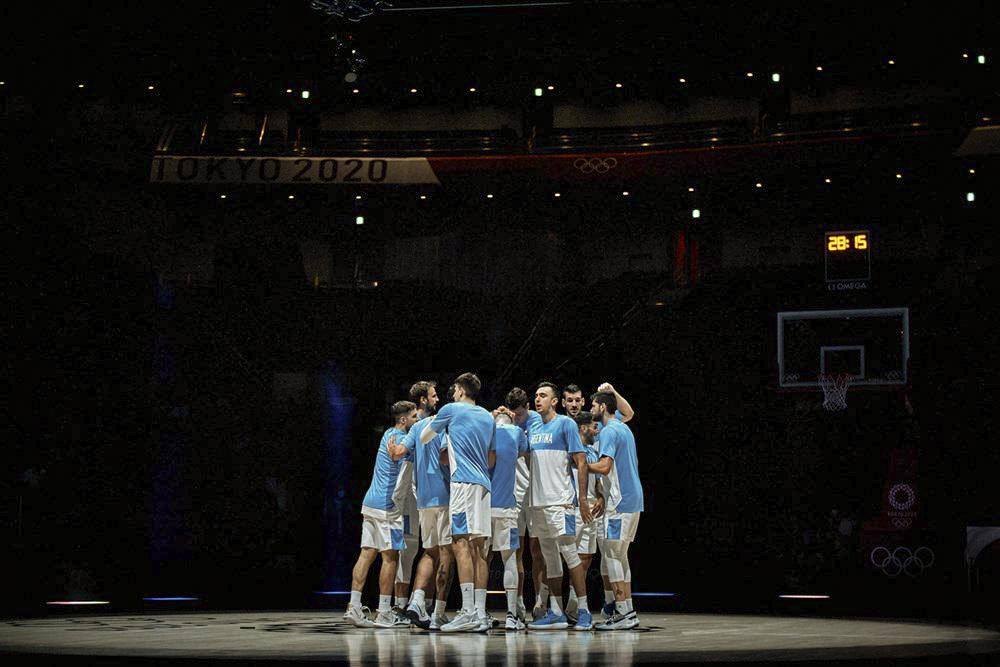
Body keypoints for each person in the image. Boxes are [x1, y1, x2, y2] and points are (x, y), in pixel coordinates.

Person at [420, 373, 496, 632]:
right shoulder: (488, 416)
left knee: (460, 543)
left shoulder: (450, 409)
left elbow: (425, 437)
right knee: (480, 548)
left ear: (462, 390)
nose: (452, 392)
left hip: (462, 484)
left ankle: (467, 612)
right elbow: (491, 456)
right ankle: (480, 613)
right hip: (484, 485)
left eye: (454, 388)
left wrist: (439, 425)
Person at [344, 400, 419, 628]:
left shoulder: (387, 433)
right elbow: (399, 455)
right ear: (403, 419)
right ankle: (385, 611)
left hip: (370, 503)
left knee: (366, 553)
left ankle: (354, 607)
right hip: (388, 507)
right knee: (390, 558)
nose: (417, 421)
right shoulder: (401, 439)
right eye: (414, 417)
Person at [525, 382, 593, 631]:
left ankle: (584, 610)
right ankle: (556, 611)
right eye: (536, 395)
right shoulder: (532, 425)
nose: (538, 399)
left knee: (570, 555)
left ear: (555, 401)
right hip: (538, 504)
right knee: (550, 559)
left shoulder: (565, 424)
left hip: (560, 502)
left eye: (543, 395)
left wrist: (583, 499)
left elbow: (582, 462)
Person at [395, 381, 454, 630]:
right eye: (433, 395)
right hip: (444, 495)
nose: (437, 399)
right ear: (423, 400)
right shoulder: (439, 425)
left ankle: (417, 602)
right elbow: (443, 455)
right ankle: (439, 611)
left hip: (424, 499)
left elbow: (398, 452)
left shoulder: (416, 426)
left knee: (430, 552)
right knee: (447, 554)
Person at [587, 390, 644, 630]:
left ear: (602, 407)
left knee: (612, 554)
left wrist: (581, 464)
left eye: (593, 405)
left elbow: (604, 465)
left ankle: (622, 611)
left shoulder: (610, 430)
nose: (591, 408)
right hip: (632, 500)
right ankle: (627, 610)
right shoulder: (621, 426)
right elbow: (628, 411)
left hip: (619, 503)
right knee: (620, 555)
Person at [488, 411, 530, 630]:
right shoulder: (516, 432)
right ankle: (512, 614)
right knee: (510, 559)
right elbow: (524, 452)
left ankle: (477, 612)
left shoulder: (485, 430)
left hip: (482, 506)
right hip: (507, 506)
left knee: (479, 560)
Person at [565, 410, 605, 623]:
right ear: (582, 428)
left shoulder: (592, 451)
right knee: (570, 557)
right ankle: (574, 607)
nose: (596, 429)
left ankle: (573, 606)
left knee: (586, 557)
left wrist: (600, 496)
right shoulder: (570, 450)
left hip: (591, 507)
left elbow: (597, 480)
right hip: (574, 507)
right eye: (592, 425)